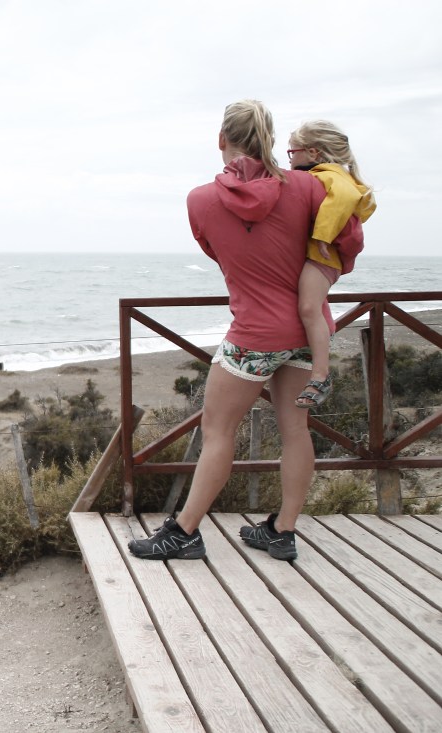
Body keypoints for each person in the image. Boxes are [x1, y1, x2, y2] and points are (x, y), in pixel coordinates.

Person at [128, 100, 363, 562]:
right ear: (270, 140)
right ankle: (282, 531)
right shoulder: (309, 187)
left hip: (254, 334)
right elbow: (344, 239)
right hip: (309, 330)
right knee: (296, 430)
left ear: (222, 139)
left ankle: (184, 532)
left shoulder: (200, 200)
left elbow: (217, 252)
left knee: (218, 431)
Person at [288, 120, 376, 408]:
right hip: (319, 254)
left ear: (313, 152)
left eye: (292, 152)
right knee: (310, 307)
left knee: (308, 307)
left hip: (323, 255)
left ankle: (320, 375)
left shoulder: (330, 175)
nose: (289, 158)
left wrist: (323, 236)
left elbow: (346, 198)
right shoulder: (326, 174)